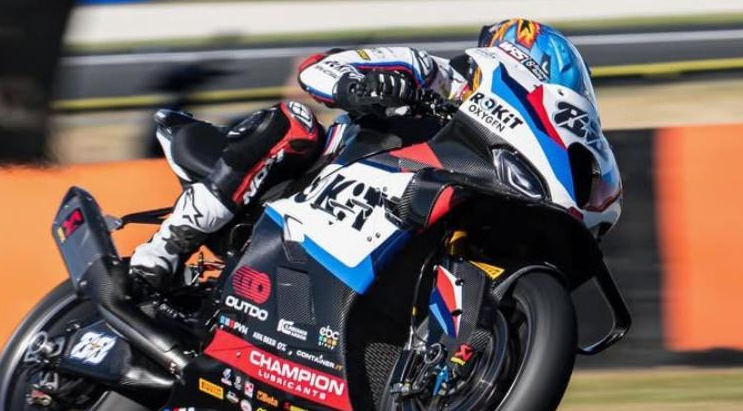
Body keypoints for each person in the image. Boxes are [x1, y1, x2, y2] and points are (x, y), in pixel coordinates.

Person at [129, 18, 595, 290]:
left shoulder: (503, 134)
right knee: (295, 122)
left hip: (404, 213)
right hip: (314, 179)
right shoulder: (438, 74)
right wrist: (358, 82)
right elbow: (320, 68)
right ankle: (167, 246)